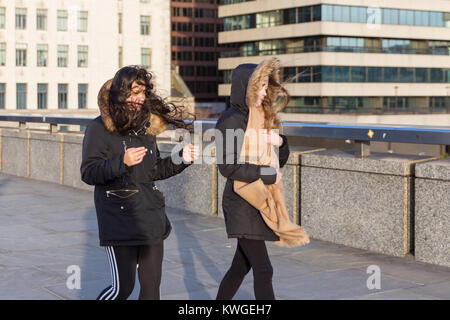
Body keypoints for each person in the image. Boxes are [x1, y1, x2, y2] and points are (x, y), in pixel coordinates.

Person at [81, 65, 199, 300]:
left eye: (143, 92)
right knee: (122, 289)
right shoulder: (99, 127)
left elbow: (152, 171)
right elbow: (89, 172)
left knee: (152, 290)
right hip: (119, 219)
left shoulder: (145, 128)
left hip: (150, 219)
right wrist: (121, 162)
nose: (140, 98)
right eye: (134, 92)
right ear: (121, 93)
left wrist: (181, 158)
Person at [215, 58, 296, 300]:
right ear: (246, 88)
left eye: (265, 87)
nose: (264, 92)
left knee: (241, 267)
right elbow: (227, 166)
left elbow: (276, 161)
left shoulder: (258, 117)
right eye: (260, 87)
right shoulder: (230, 120)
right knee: (263, 269)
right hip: (241, 202)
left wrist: (280, 142)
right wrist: (266, 174)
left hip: (257, 200)